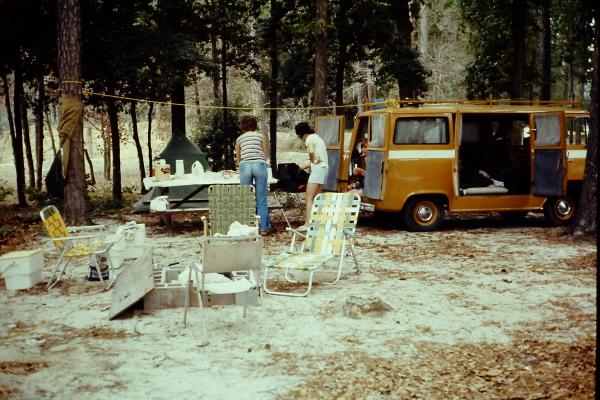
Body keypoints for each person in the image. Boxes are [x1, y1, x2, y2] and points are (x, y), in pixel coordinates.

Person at [235, 115, 271, 235]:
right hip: (259, 165)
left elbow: (238, 157)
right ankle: (264, 228)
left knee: (246, 198)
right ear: (255, 125)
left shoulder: (239, 138)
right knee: (261, 199)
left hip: (245, 165)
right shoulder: (260, 136)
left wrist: (243, 164)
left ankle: (248, 228)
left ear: (242, 126)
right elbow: (265, 152)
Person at [295, 122, 329, 231]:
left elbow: (311, 152)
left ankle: (307, 224)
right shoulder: (317, 138)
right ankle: (318, 223)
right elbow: (319, 158)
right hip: (324, 169)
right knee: (318, 196)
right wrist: (306, 164)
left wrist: (313, 160)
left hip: (318, 169)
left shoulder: (309, 139)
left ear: (301, 134)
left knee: (308, 197)